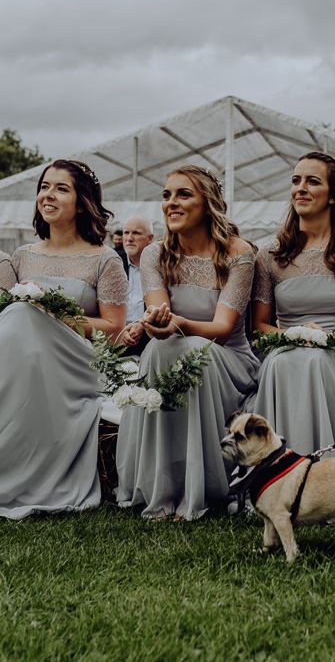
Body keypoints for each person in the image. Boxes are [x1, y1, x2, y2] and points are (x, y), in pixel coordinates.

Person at [116, 165, 259, 520]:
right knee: (160, 349)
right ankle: (165, 487)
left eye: (183, 194)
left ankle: (203, 489)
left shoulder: (237, 253)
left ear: (207, 202)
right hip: (175, 348)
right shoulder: (155, 254)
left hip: (229, 358)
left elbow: (223, 328)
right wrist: (154, 325)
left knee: (188, 350)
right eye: (166, 195)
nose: (171, 203)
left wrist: (177, 325)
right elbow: (157, 313)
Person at [0, 159, 127, 519]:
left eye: (60, 188)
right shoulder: (21, 256)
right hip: (24, 359)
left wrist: (56, 315)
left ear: (81, 200)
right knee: (19, 316)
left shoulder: (104, 259)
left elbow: (115, 331)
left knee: (26, 314)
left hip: (78, 361)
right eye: (43, 186)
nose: (48, 194)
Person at [252, 151, 335, 454]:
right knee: (283, 362)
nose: (301, 188)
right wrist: (294, 335)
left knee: (316, 361)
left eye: (312, 182)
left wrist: (332, 338)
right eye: (296, 180)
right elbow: (258, 327)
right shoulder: (270, 253)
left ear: (333, 196)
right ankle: (275, 476)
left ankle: (323, 474)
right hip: (285, 348)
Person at [118, 215, 154, 356]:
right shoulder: (114, 262)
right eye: (126, 232)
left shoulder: (160, 266)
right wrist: (120, 329)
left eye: (136, 233)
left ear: (149, 238)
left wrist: (142, 326)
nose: (129, 238)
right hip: (116, 336)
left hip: (149, 339)